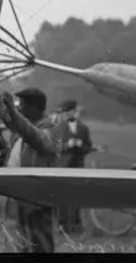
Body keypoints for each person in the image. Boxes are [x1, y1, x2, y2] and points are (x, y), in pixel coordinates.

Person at [0, 87, 60, 254]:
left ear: (35, 107)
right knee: (21, 239)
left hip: (37, 195)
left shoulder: (50, 127)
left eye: (22, 105)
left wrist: (14, 112)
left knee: (40, 240)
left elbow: (36, 138)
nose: (19, 108)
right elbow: (10, 120)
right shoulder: (23, 126)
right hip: (20, 192)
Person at [56, 100, 94, 233]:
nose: (69, 114)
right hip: (62, 167)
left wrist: (80, 145)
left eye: (71, 111)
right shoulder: (58, 128)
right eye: (67, 112)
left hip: (77, 165)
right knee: (62, 196)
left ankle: (76, 224)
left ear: (75, 111)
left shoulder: (84, 128)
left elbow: (88, 147)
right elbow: (54, 147)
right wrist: (67, 145)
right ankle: (61, 224)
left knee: (76, 195)